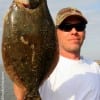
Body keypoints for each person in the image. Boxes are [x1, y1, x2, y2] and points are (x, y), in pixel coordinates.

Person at [14, 7, 100, 100]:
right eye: (66, 27)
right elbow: (21, 95)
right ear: (55, 33)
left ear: (84, 33)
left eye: (80, 27)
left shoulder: (95, 68)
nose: (74, 31)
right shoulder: (44, 66)